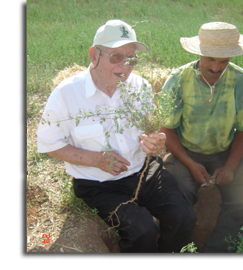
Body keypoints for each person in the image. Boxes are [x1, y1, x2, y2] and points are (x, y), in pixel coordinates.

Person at [37, 19, 196, 253]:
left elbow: (151, 130)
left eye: (131, 58)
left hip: (144, 171)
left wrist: (155, 142)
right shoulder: (66, 94)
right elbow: (50, 145)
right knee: (143, 230)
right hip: (98, 184)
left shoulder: (139, 86)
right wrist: (95, 159)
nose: (126, 65)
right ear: (94, 56)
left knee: (184, 216)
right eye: (116, 57)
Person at [160, 22, 243, 253]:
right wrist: (190, 163)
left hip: (224, 151)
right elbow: (166, 131)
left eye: (223, 61)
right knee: (178, 194)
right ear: (199, 53)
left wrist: (230, 166)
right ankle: (175, 249)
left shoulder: (240, 80)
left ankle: (215, 252)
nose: (216, 67)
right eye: (210, 59)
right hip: (184, 152)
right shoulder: (178, 80)